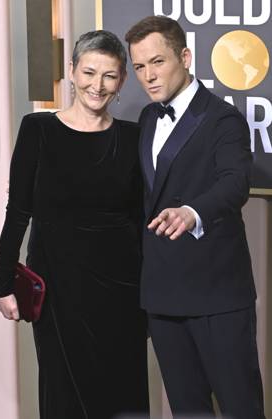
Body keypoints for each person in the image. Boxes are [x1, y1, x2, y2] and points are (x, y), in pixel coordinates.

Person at [0, 30, 149, 419]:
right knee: (63, 396)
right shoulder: (37, 129)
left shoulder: (134, 138)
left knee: (122, 395)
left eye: (109, 76)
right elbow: (18, 212)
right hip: (57, 289)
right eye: (89, 72)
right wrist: (1, 282)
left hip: (121, 291)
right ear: (72, 71)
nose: (97, 85)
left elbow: (141, 221)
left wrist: (151, 295)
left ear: (122, 81)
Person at [125, 15, 266, 419]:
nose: (148, 76)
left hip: (217, 295)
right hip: (163, 295)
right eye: (139, 67)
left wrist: (192, 211)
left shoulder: (223, 118)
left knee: (241, 408)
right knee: (187, 411)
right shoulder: (149, 119)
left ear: (184, 57)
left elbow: (234, 183)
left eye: (157, 62)